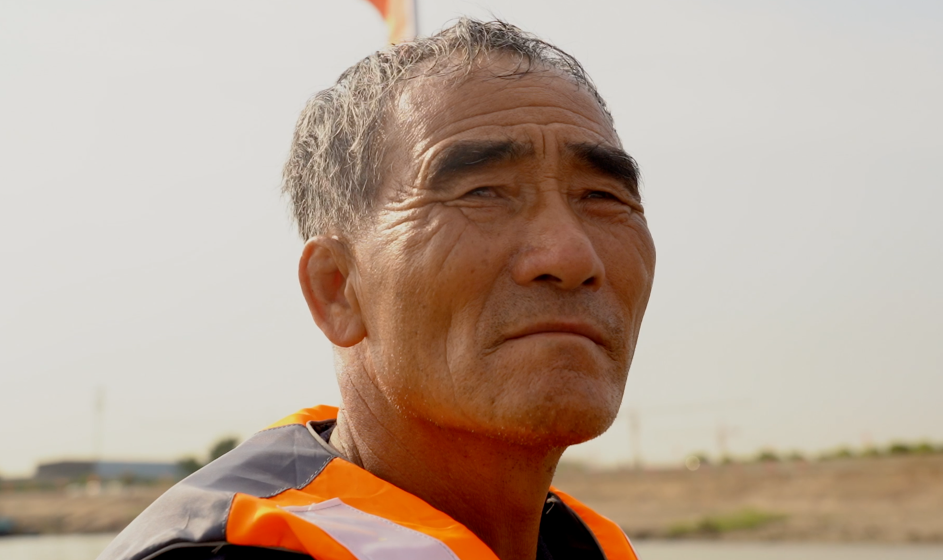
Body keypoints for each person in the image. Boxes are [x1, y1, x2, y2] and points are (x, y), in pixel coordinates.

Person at [99, 18, 655, 560]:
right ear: (337, 288)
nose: (572, 258)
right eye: (483, 193)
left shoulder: (580, 545)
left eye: (604, 197)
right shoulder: (234, 549)